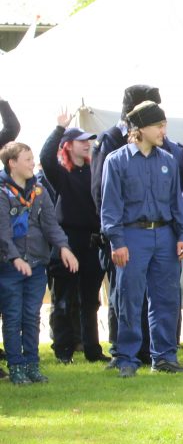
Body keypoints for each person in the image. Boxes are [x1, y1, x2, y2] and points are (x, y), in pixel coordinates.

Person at [99, 100, 183, 378]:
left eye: (164, 125)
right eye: (158, 126)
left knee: (166, 298)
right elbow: (110, 207)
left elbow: (177, 203)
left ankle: (164, 357)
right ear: (140, 129)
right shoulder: (116, 161)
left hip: (165, 236)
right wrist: (117, 242)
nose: (164, 131)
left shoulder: (168, 160)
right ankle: (126, 358)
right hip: (132, 235)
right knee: (129, 298)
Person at [0, 142, 79, 384]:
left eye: (32, 158)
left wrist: (64, 247)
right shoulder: (2, 193)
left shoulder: (39, 191)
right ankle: (16, 366)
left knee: (31, 316)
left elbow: (50, 225)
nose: (32, 163)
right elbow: (2, 232)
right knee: (13, 317)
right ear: (12, 163)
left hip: (36, 264)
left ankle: (32, 364)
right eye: (27, 159)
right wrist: (15, 258)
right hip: (9, 267)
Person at [40, 113, 104, 363]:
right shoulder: (61, 174)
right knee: (64, 298)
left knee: (90, 300)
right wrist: (59, 128)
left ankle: (92, 350)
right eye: (81, 141)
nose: (87, 144)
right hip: (67, 240)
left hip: (92, 241)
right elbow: (46, 157)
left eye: (89, 140)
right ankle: (63, 350)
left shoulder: (94, 170)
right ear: (68, 145)